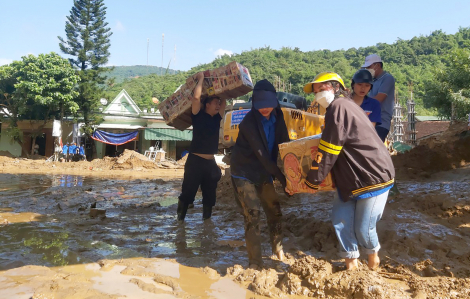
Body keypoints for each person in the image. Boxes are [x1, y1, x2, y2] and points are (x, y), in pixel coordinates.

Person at [302, 72, 395, 271]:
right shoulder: (343, 106)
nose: (318, 93)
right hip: (352, 176)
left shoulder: (339, 107)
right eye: (316, 91)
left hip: (372, 175)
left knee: (364, 228)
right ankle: (351, 264)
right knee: (340, 219)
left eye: (322, 88)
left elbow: (329, 148)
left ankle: (373, 263)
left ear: (336, 87)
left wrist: (313, 180)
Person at [230, 79, 290, 269]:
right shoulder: (248, 123)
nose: (265, 110)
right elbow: (264, 156)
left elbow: (286, 147)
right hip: (243, 172)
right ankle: (255, 262)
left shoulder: (279, 117)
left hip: (264, 171)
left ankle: (278, 249)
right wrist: (283, 180)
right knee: (253, 214)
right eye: (261, 106)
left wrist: (294, 177)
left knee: (274, 211)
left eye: (269, 106)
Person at [177, 72, 226, 222]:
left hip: (210, 163)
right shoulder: (198, 115)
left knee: (210, 194)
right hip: (195, 162)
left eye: (219, 103)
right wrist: (201, 80)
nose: (218, 105)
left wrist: (222, 87)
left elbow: (224, 101)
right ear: (207, 105)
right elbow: (196, 98)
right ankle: (180, 220)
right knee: (188, 192)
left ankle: (207, 222)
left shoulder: (217, 118)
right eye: (215, 103)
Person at [362, 54, 395, 142]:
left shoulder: (388, 79)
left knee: (372, 148)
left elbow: (379, 99)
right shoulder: (373, 81)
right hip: (371, 121)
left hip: (381, 122)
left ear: (378, 65)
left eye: (369, 67)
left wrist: (359, 103)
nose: (367, 70)